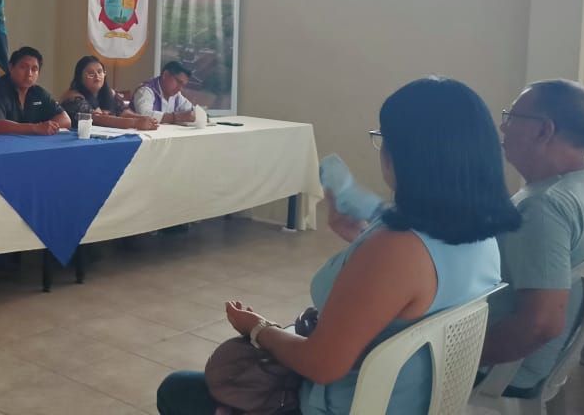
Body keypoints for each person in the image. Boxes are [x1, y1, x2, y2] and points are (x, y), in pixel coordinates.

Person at [157, 77, 522, 414]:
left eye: (383, 137)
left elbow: (322, 364)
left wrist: (258, 329)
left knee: (178, 390)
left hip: (348, 405)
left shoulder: (397, 248)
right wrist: (363, 241)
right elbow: (414, 283)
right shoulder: (480, 232)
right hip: (415, 402)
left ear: (407, 153)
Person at [480, 79, 584, 395]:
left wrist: (460, 355)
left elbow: (541, 324)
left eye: (512, 117)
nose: (503, 127)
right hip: (549, 362)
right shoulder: (578, 185)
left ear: (544, 130)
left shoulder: (545, 206)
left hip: (509, 369)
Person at [0, 46, 71, 135]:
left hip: (33, 143)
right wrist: (35, 128)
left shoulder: (38, 92)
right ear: (11, 67)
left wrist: (48, 127)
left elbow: (65, 120)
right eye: (23, 67)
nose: (29, 74)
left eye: (34, 69)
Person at [60, 55, 158, 130]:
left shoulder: (109, 93)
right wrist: (135, 123)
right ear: (80, 77)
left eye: (100, 72)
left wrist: (143, 119)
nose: (97, 76)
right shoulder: (73, 98)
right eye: (91, 73)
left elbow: (123, 112)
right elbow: (97, 120)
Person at [132, 61, 196, 124]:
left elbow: (193, 111)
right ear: (166, 75)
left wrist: (193, 115)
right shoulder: (145, 90)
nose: (180, 88)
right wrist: (176, 117)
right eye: (179, 82)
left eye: (183, 85)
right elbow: (144, 115)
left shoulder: (177, 96)